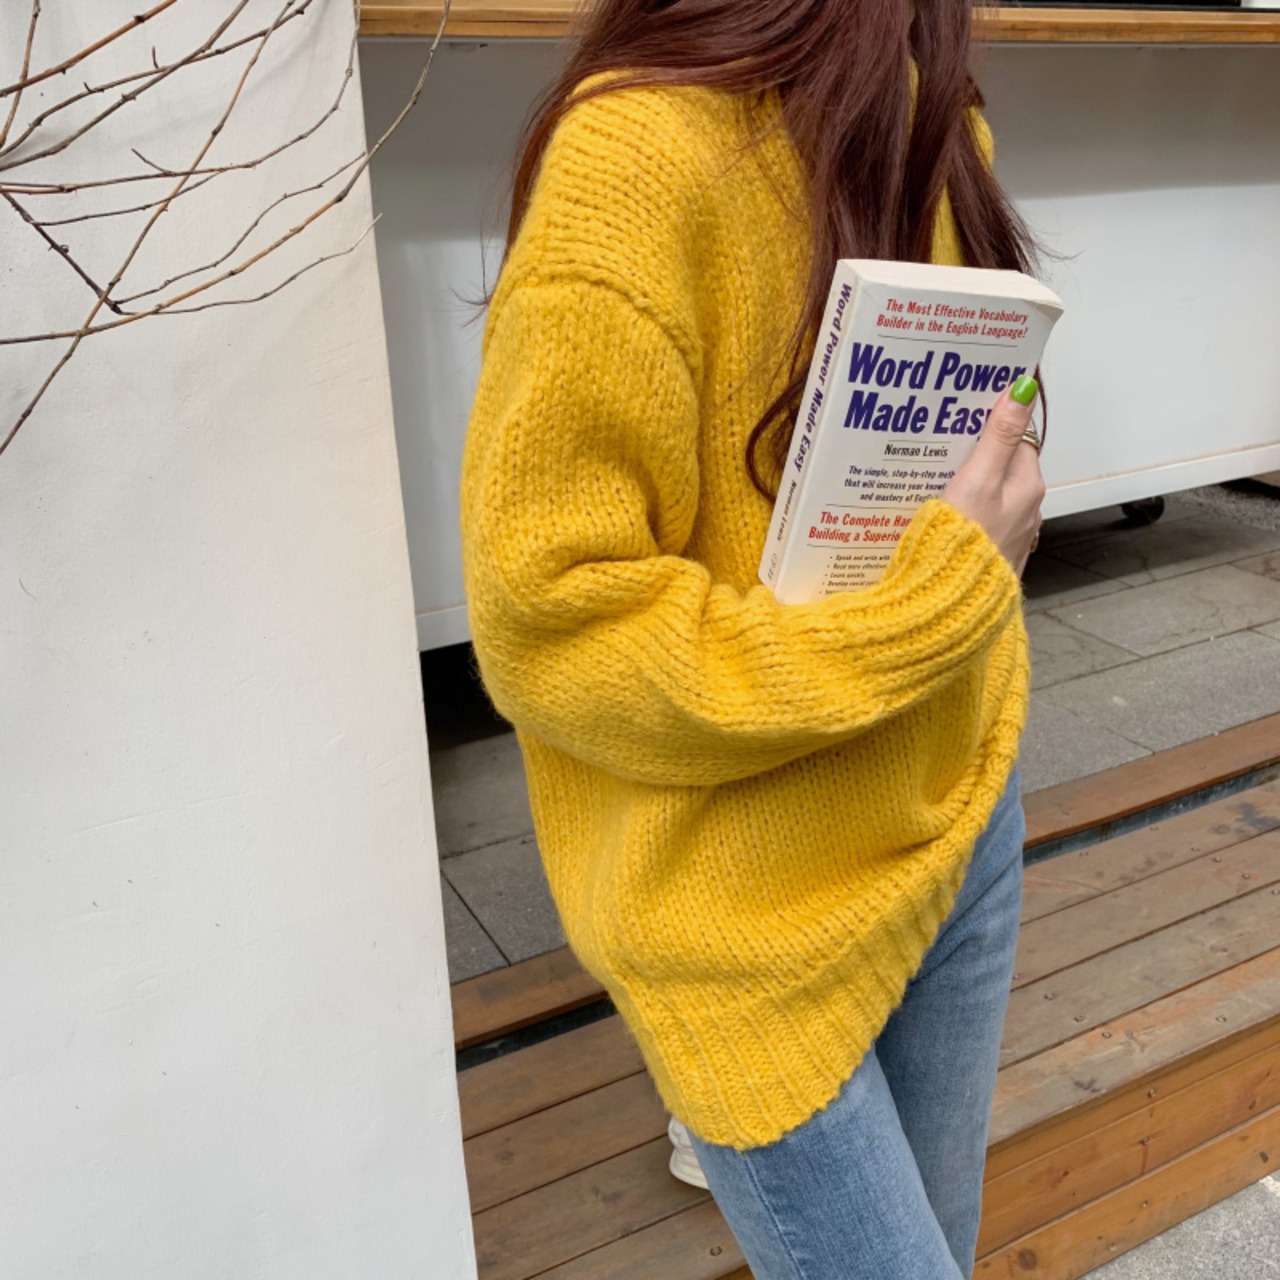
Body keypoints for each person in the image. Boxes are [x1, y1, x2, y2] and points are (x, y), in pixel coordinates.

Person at [459, 2, 1046, 1276]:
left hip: (952, 817)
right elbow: (554, 623)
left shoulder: (931, 109)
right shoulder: (636, 155)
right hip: (746, 918)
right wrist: (930, 609)